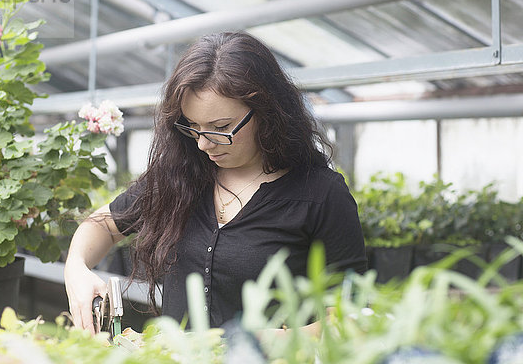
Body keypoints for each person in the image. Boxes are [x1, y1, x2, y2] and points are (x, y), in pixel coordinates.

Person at [64, 32, 367, 333]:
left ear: (267, 112)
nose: (203, 144)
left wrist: (280, 340)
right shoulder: (179, 176)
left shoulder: (322, 195)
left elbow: (348, 312)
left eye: (220, 128)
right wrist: (76, 267)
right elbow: (102, 224)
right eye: (193, 127)